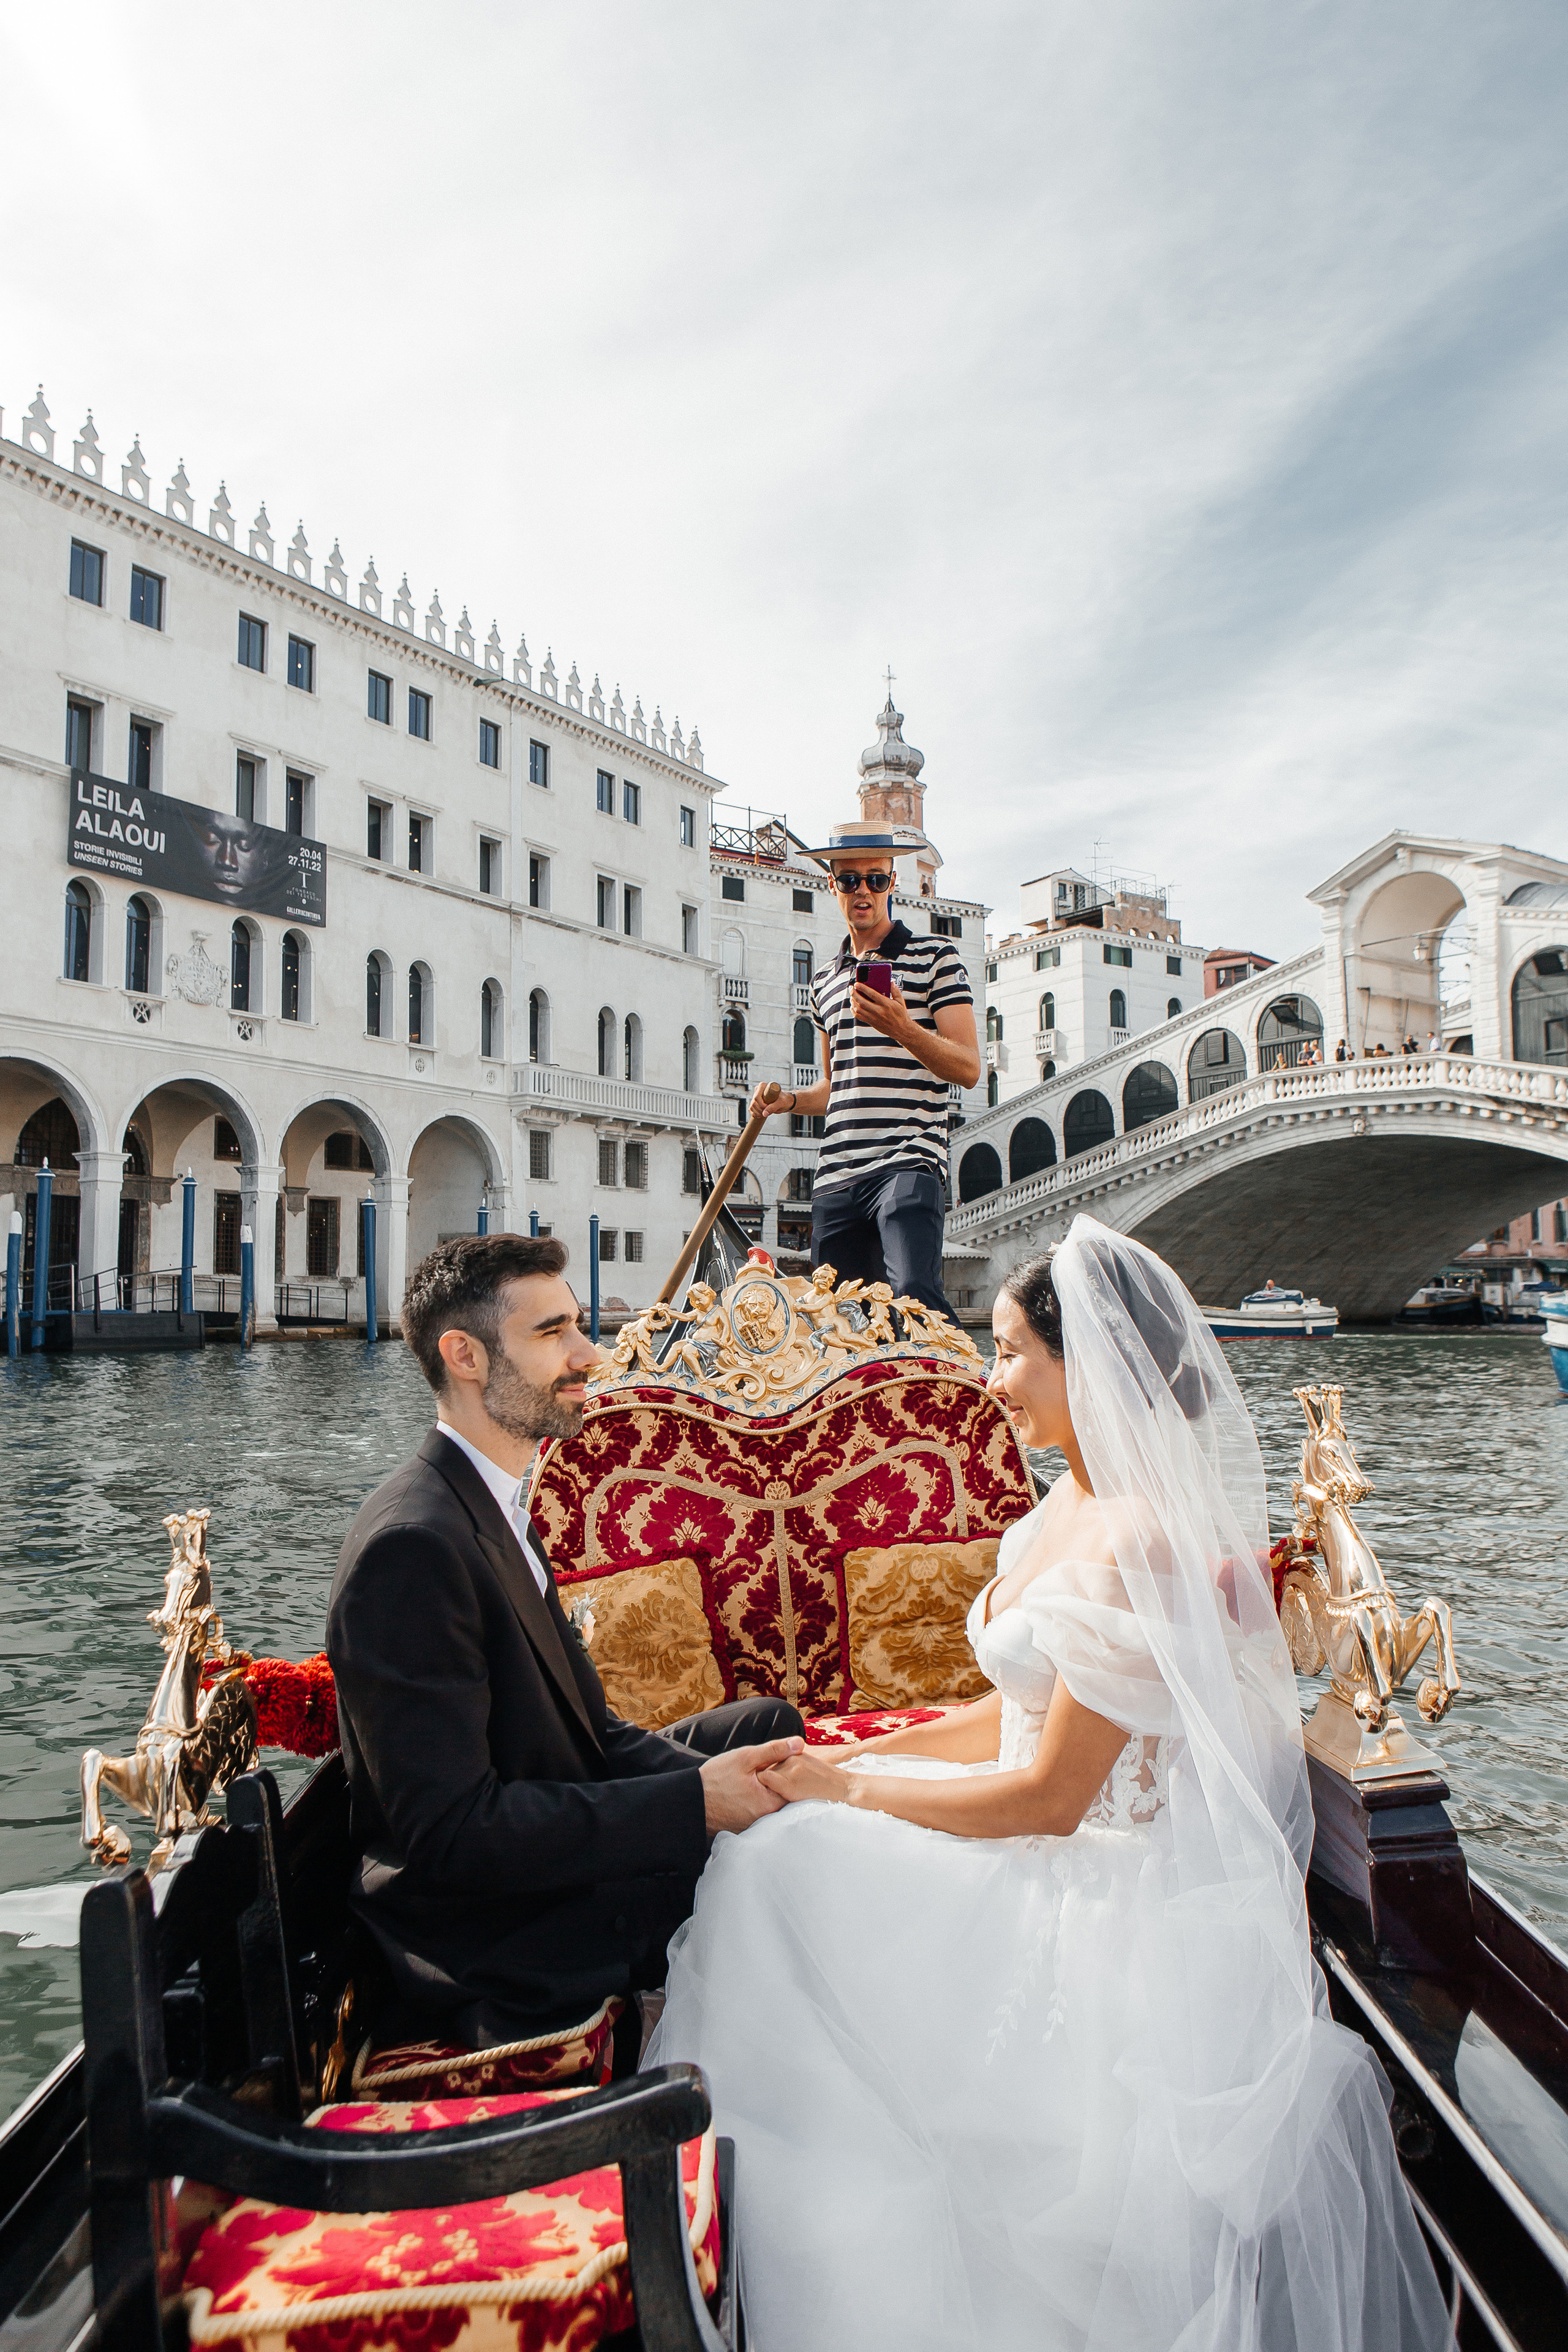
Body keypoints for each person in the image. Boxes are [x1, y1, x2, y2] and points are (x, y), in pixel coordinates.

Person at [648, 1218, 1450, 2350]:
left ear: (1092, 1364)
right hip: (1038, 1836)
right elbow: (1002, 1718)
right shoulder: (1061, 1507)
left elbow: (1048, 1799)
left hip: (1097, 1893)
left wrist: (843, 1794)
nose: (994, 1378)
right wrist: (854, 1756)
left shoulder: (1137, 1543)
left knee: (777, 1868)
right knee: (772, 1850)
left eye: (1014, 1349)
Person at [327, 1234, 805, 2048]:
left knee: (762, 1733)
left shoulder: (495, 1506)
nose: (591, 1354)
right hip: (494, 1935)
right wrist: (697, 1804)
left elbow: (598, 1734)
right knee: (791, 1869)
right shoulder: (410, 1549)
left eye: (578, 1327)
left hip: (538, 1856)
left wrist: (725, 1786)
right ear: (465, 1356)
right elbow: (453, 1839)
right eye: (553, 1334)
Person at [749, 820, 980, 1321]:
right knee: (838, 1320)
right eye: (850, 880)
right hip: (837, 1176)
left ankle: (967, 1394)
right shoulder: (825, 983)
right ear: (832, 885)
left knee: (915, 1295)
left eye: (876, 879)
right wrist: (787, 1102)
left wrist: (903, 1027)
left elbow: (967, 1068)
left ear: (892, 884)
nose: (863, 891)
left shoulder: (935, 957)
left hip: (907, 1160)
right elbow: (835, 1087)